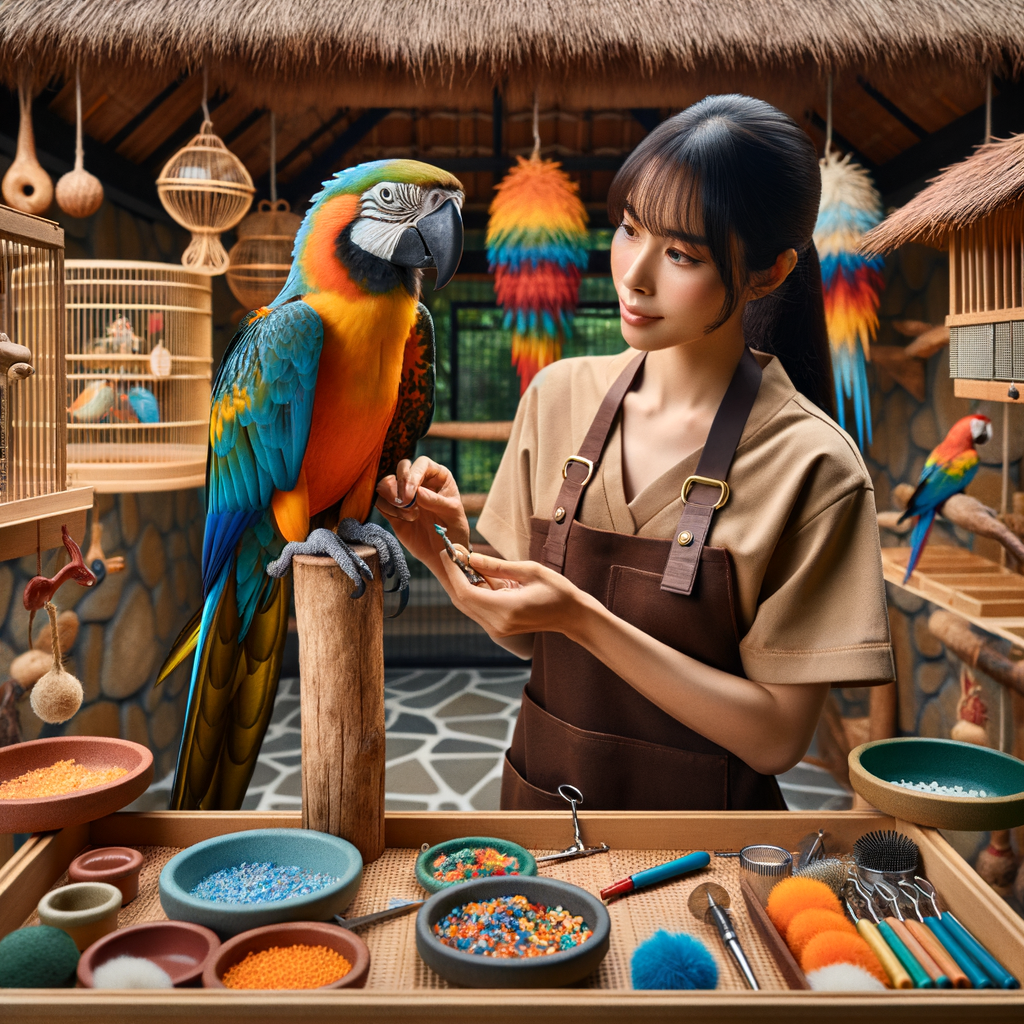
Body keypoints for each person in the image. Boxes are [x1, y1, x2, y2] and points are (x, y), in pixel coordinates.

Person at [375, 94, 895, 811]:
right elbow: (527, 644)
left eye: (681, 254)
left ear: (769, 272)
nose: (635, 275)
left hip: (704, 863)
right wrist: (444, 547)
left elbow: (777, 738)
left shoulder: (812, 465)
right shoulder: (556, 398)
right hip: (542, 829)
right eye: (628, 230)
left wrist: (581, 616)